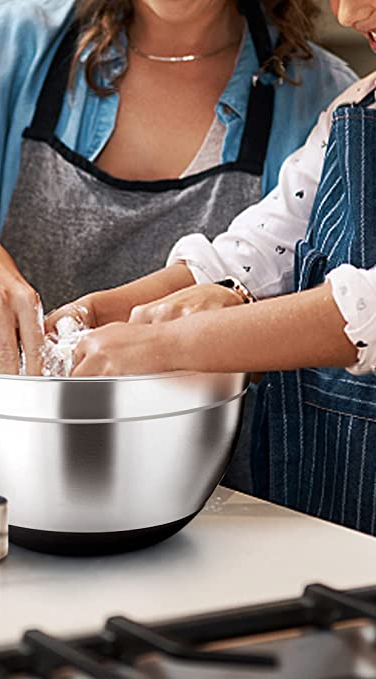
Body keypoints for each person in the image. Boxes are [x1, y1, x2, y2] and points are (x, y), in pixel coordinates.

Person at [0, 0, 353, 376]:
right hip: (25, 462)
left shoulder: (330, 104)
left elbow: (344, 319)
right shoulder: (21, 45)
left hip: (237, 495)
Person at [62, 0, 376, 534]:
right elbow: (254, 251)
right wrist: (91, 314)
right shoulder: (356, 110)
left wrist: (164, 347)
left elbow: (364, 307)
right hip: (329, 518)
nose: (348, 13)